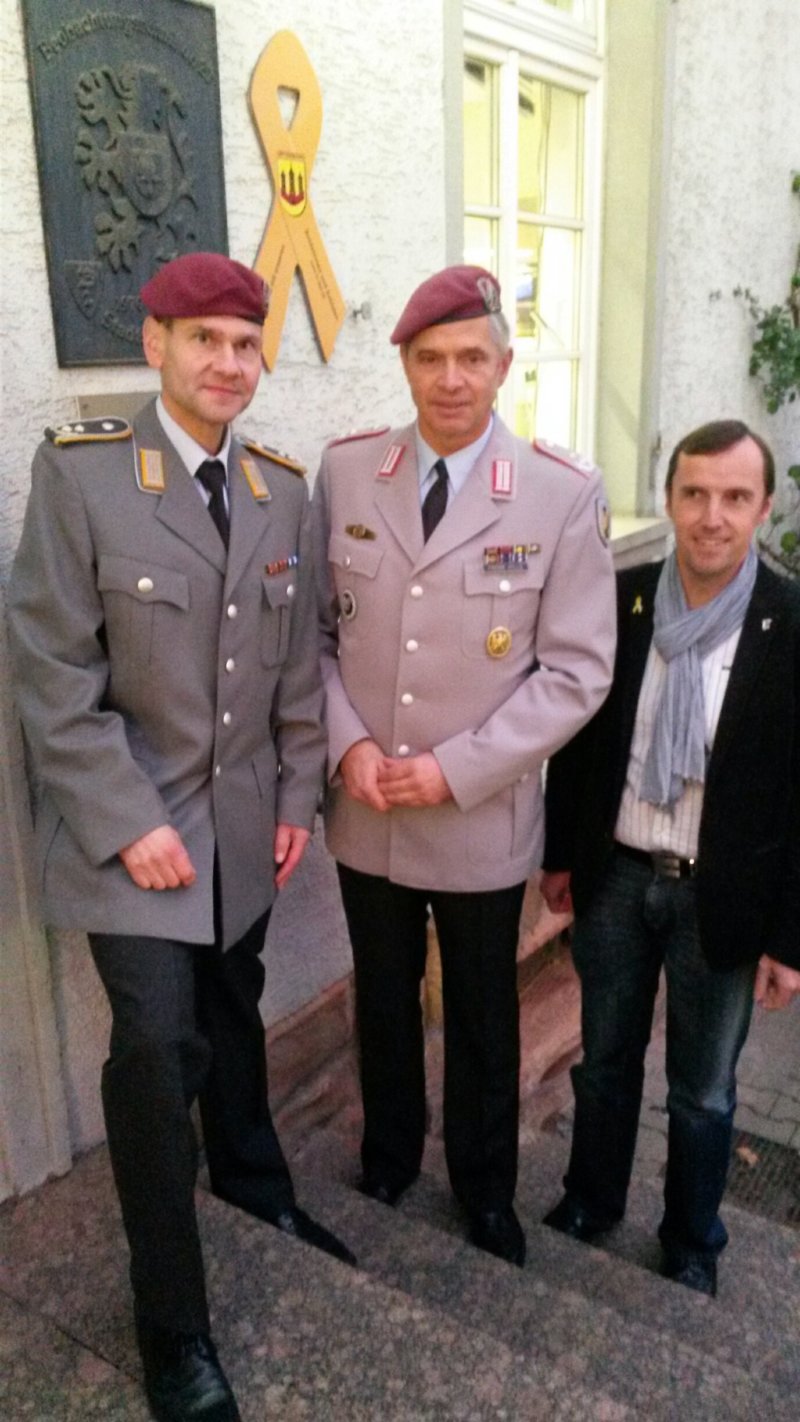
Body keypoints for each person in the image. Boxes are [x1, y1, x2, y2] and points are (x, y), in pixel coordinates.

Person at [8, 251, 354, 1422]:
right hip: (132, 834)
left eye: (245, 343)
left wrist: (296, 803)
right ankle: (172, 1327)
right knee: (156, 1054)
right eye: (204, 338)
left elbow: (295, 672)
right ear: (155, 343)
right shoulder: (84, 476)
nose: (228, 362)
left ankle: (254, 1186)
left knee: (231, 1013)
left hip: (245, 826)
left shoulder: (277, 489)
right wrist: (127, 822)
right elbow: (51, 673)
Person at [312, 264, 616, 1267]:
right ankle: (389, 1156)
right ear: (405, 363)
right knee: (381, 996)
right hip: (367, 809)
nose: (451, 379)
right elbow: (313, 639)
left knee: (483, 1015)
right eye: (431, 358)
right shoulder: (347, 473)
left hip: (478, 816)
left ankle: (484, 1189)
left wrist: (455, 770)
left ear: (503, 366)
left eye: (471, 358)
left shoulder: (558, 493)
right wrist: (348, 744)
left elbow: (576, 672)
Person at [540, 418, 800, 1297]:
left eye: (734, 497)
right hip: (618, 877)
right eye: (694, 494)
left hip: (721, 900)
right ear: (669, 499)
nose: (711, 516)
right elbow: (578, 738)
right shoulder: (622, 601)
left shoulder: (791, 623)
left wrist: (790, 939)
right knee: (603, 1062)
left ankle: (692, 1242)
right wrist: (560, 855)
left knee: (703, 1091)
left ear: (765, 506)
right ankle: (591, 1201)